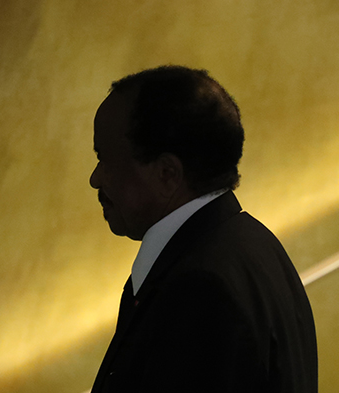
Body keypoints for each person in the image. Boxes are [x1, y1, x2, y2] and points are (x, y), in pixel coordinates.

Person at [88, 65, 318, 393]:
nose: (95, 178)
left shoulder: (201, 288)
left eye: (105, 159)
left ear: (167, 174)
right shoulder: (254, 246)